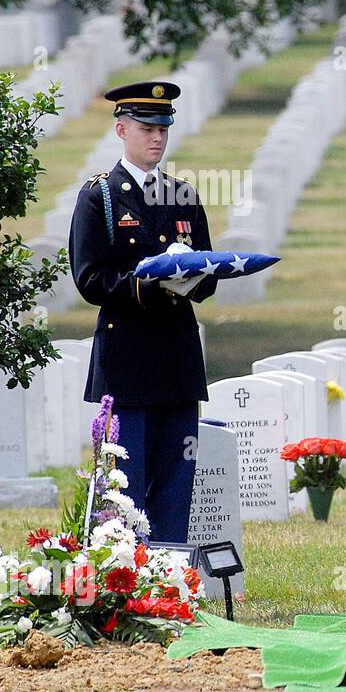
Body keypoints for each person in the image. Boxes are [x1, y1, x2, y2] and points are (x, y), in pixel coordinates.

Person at [68, 81, 216, 543]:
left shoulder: (183, 196)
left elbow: (207, 273)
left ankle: (171, 578)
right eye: (146, 127)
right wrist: (150, 284)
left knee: (176, 480)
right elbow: (90, 279)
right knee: (125, 487)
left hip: (176, 358)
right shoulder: (102, 197)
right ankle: (129, 586)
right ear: (121, 129)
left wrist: (195, 277)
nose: (156, 138)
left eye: (163, 129)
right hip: (128, 358)